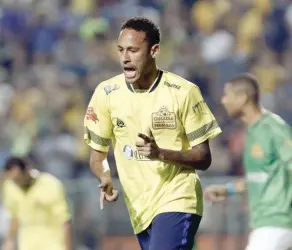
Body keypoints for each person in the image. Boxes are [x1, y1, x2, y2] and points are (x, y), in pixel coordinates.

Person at [84, 16, 221, 250]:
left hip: (178, 198)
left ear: (154, 50)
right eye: (121, 50)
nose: (125, 57)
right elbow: (98, 157)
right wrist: (105, 177)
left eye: (133, 50)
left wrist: (160, 153)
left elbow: (204, 157)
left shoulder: (183, 92)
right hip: (139, 208)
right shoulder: (106, 93)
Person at [204, 73, 292, 250]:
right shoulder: (252, 132)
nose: (223, 100)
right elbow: (260, 177)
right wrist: (227, 189)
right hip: (265, 224)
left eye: (227, 94)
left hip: (278, 223)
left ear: (243, 97)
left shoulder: (272, 127)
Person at [1, 156, 72, 250]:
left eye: (18, 178)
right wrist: (9, 241)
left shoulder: (50, 184)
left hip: (52, 244)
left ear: (26, 171)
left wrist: (67, 247)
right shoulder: (10, 187)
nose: (16, 183)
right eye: (13, 180)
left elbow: (64, 221)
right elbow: (14, 218)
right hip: (27, 245)